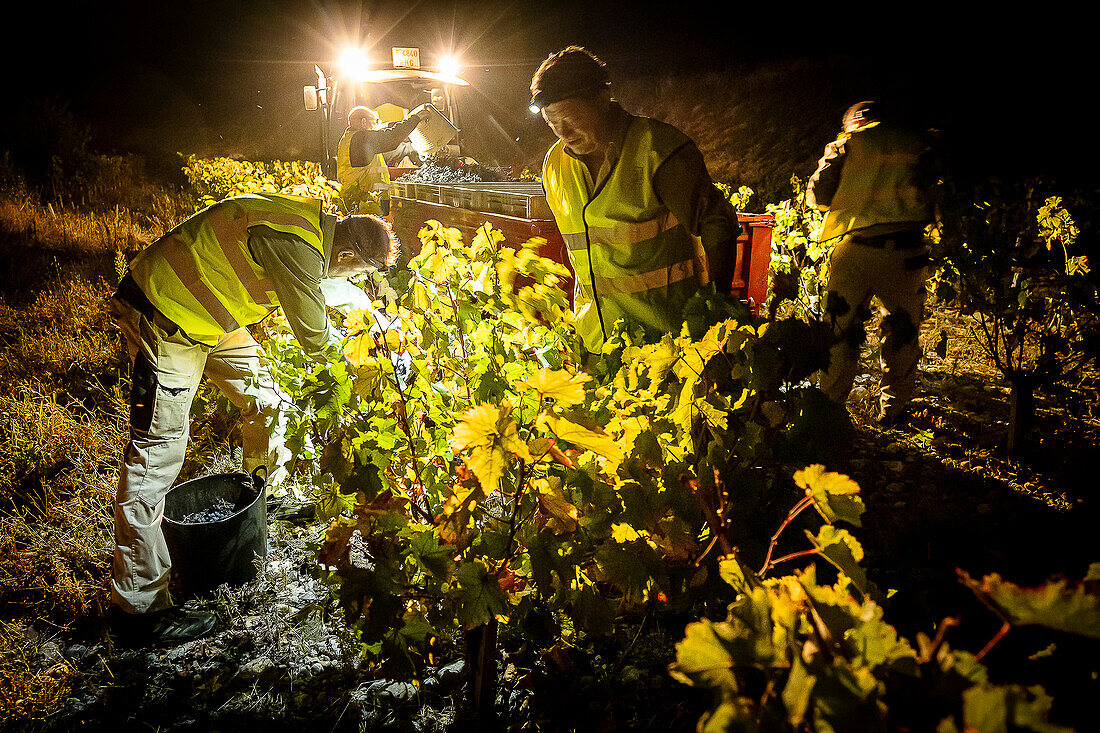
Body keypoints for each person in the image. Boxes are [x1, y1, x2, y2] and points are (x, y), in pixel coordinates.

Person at [107, 192, 398, 644]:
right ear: (344, 254)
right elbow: (315, 338)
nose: (354, 276)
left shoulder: (310, 232)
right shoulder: (296, 244)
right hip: (164, 312)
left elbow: (329, 289)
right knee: (157, 454)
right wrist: (363, 377)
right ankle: (138, 608)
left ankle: (263, 494)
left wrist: (368, 311)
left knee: (265, 397)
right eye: (357, 269)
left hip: (205, 318)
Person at [531, 46, 741, 355]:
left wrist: (716, 307)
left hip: (667, 345)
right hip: (597, 346)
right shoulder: (554, 165)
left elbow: (717, 223)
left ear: (603, 98)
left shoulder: (659, 150)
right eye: (552, 123)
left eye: (570, 118)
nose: (563, 132)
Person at [806, 100, 939, 426]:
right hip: (907, 253)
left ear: (851, 123)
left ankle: (829, 413)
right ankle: (891, 415)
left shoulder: (846, 144)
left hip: (857, 251)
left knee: (839, 331)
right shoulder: (917, 143)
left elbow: (819, 195)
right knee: (902, 333)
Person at [336, 105, 431, 216]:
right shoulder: (361, 139)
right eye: (374, 122)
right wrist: (416, 118)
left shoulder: (350, 138)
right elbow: (391, 137)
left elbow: (388, 142)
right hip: (365, 203)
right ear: (363, 121)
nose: (375, 126)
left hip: (361, 200)